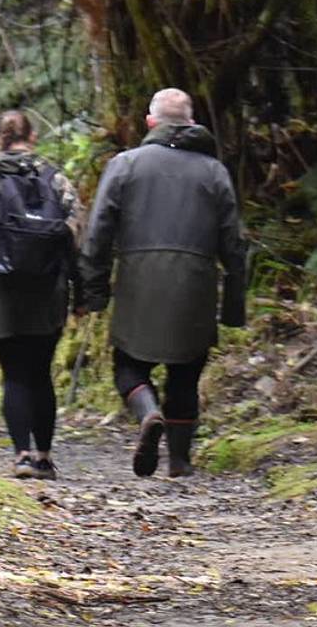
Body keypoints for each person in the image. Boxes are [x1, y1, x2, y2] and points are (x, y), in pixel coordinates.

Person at [80, 88, 247, 478]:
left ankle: (148, 412)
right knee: (186, 371)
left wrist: (94, 291)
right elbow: (233, 244)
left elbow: (98, 232)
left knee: (128, 365)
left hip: (138, 283)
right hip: (196, 285)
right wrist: (234, 307)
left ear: (151, 123)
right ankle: (180, 461)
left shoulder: (125, 165)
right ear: (191, 123)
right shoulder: (214, 172)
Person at [0, 110, 82, 480]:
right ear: (33, 135)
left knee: (13, 372)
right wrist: (80, 287)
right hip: (49, 288)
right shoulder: (57, 179)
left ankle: (22, 456)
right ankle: (44, 456)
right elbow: (76, 235)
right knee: (41, 372)